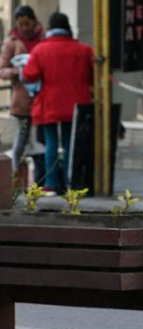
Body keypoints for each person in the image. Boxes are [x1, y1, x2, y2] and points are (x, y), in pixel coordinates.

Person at [21, 12, 93, 196]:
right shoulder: (84, 50)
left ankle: (52, 184)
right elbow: (92, 76)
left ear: (50, 28)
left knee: (51, 143)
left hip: (48, 103)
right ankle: (72, 183)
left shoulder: (40, 50)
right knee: (71, 143)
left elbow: (29, 75)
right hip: (76, 104)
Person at [0, 5, 43, 184]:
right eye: (21, 24)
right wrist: (18, 71)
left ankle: (42, 181)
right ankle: (14, 181)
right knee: (20, 141)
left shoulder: (44, 38)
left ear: (34, 21)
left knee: (42, 142)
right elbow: (2, 70)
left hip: (42, 99)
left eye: (27, 23)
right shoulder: (12, 42)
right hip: (22, 100)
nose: (24, 28)